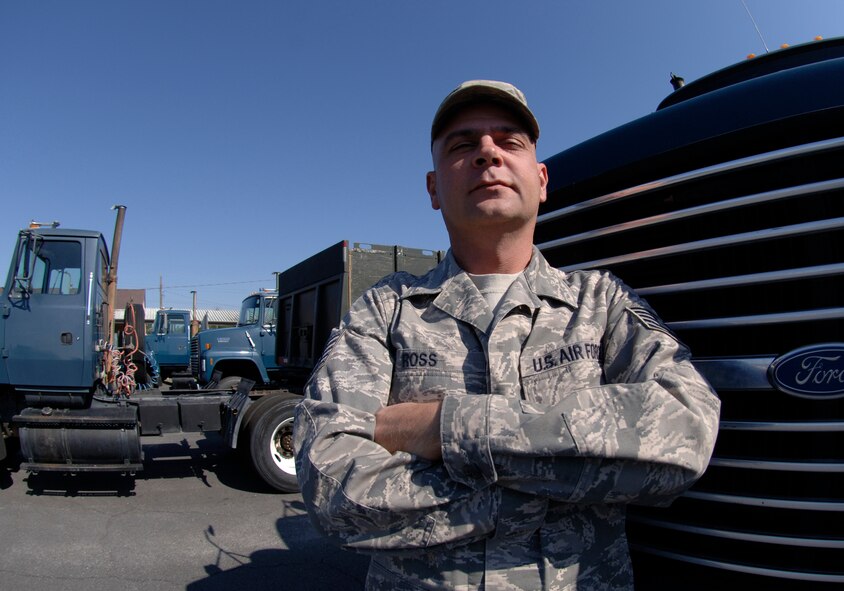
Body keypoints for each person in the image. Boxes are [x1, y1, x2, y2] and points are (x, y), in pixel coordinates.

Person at [294, 80, 721, 590]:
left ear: (541, 180)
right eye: (462, 144)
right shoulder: (384, 309)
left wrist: (443, 428)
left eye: (509, 141)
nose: (487, 153)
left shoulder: (601, 301)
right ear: (433, 189)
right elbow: (329, 482)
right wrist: (561, 485)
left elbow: (686, 429)